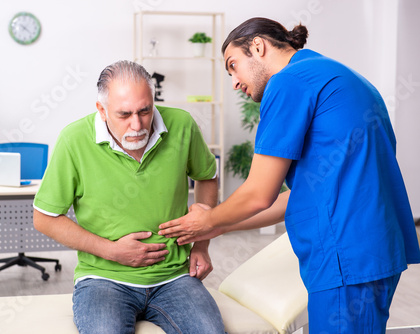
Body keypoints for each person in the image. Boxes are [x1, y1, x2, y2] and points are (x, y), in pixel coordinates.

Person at [159, 17, 420, 333]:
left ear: (258, 46)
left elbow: (259, 193)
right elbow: (301, 197)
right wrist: (217, 227)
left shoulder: (289, 82)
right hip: (373, 249)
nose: (235, 83)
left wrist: (208, 219)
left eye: (234, 66)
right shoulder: (341, 76)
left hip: (345, 255)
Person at [33, 60, 225, 334]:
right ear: (101, 110)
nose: (137, 124)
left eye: (145, 111)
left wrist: (201, 246)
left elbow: (207, 175)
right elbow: (44, 218)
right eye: (124, 115)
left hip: (174, 277)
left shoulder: (181, 125)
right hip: (103, 279)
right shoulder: (73, 140)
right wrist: (112, 251)